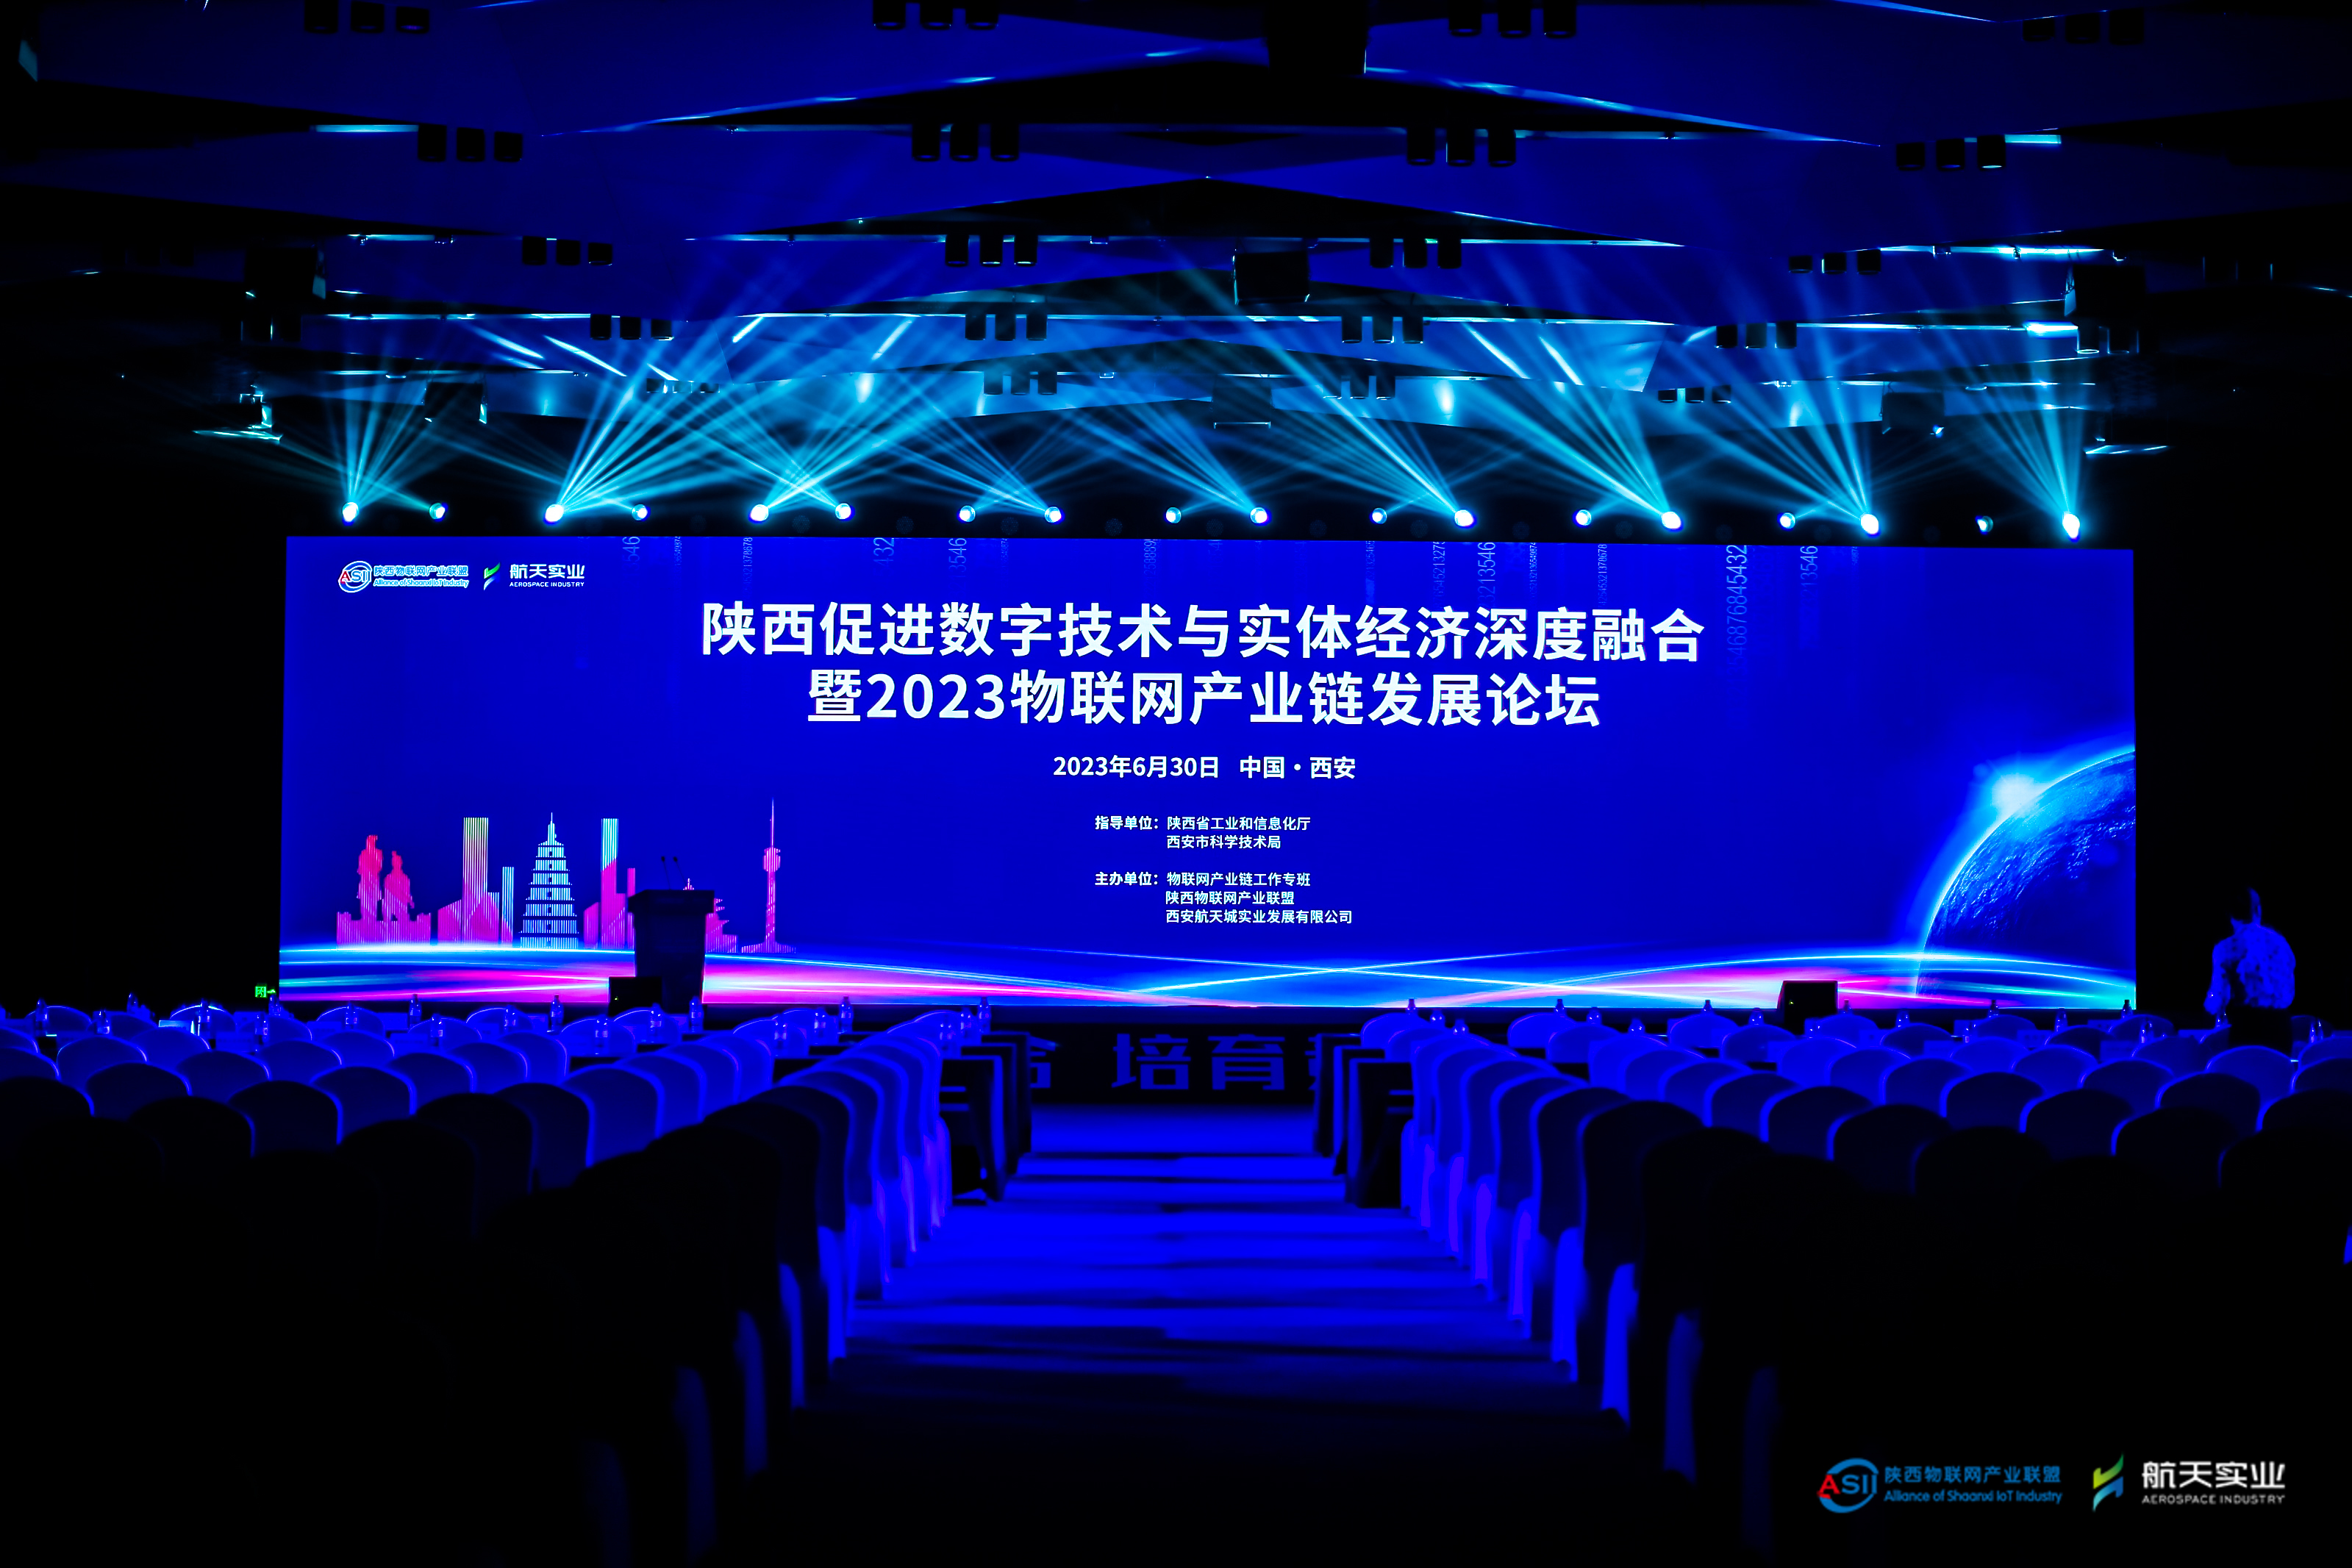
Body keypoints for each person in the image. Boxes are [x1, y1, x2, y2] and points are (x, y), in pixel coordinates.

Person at [2205, 889, 2294, 1049]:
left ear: (2231, 915)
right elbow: (2289, 990)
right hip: (2281, 1028)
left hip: (2246, 1028)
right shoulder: (2281, 943)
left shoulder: (2225, 948)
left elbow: (2217, 998)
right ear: (2258, 910)